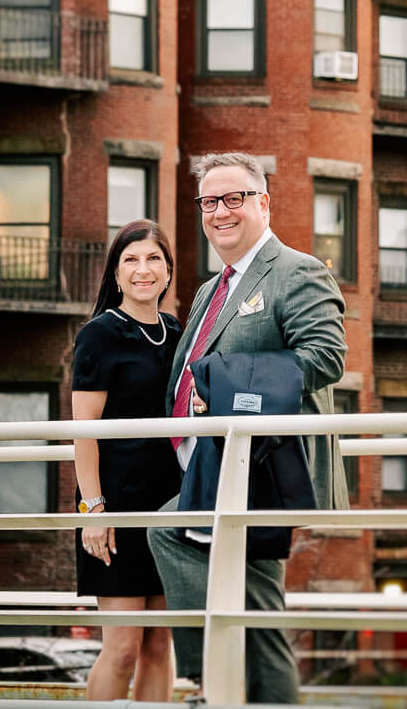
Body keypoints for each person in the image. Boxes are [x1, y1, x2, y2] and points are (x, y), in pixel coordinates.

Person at [148, 151, 347, 705]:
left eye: (233, 198)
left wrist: (239, 395)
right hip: (210, 467)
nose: (220, 212)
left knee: (171, 532)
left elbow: (326, 356)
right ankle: (222, 680)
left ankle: (206, 675)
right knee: (257, 608)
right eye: (209, 202)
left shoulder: (296, 269)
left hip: (266, 463)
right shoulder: (212, 289)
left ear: (263, 202)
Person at [70, 220, 183, 702]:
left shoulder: (177, 332)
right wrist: (94, 510)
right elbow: (85, 431)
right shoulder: (99, 335)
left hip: (170, 504)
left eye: (153, 258)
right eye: (131, 260)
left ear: (168, 270)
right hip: (114, 503)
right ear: (116, 275)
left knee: (160, 644)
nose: (143, 269)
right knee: (122, 647)